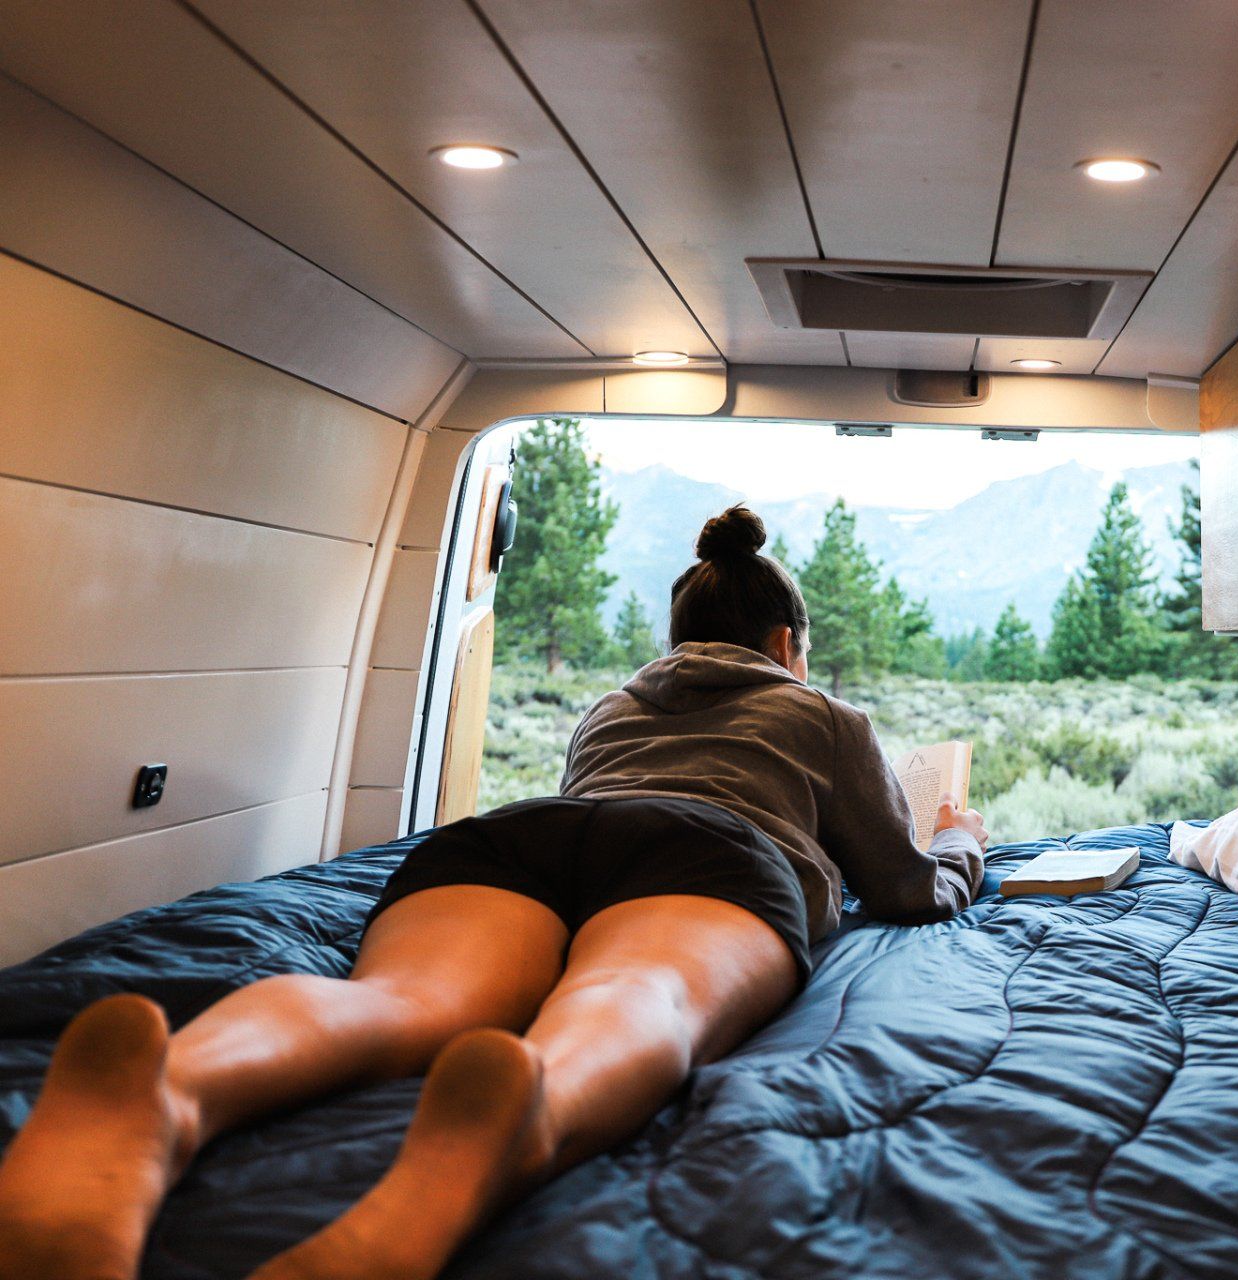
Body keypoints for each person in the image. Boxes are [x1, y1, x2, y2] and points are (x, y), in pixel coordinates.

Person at [0, 505, 988, 1280]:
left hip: (525, 837)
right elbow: (905, 890)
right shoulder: (819, 709)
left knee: (402, 1002)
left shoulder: (613, 706)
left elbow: (593, 818)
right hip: (714, 856)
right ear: (785, 642)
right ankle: (532, 1104)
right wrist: (958, 843)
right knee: (632, 995)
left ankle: (174, 1085)